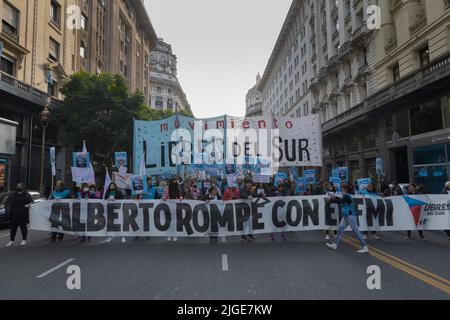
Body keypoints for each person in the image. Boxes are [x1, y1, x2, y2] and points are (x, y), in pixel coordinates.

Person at [326, 184, 369, 254]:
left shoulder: (347, 196)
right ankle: (335, 244)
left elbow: (340, 201)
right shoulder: (345, 196)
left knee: (356, 231)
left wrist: (331, 199)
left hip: (350, 216)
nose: (341, 191)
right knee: (340, 229)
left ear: (345, 190)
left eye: (342, 190)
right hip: (346, 216)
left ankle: (365, 247)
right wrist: (332, 197)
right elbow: (340, 199)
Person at [166, 178, 182, 242]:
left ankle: (175, 235)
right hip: (169, 205)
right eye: (174, 181)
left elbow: (180, 196)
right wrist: (164, 197)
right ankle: (169, 235)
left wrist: (181, 198)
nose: (175, 182)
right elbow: (165, 195)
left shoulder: (178, 188)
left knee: (174, 221)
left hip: (176, 205)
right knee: (169, 220)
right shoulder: (168, 188)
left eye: (176, 181)